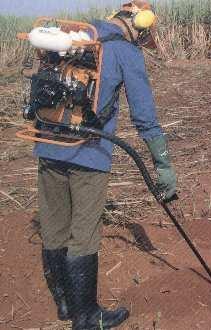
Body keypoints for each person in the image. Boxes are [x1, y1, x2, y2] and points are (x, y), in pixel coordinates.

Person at [34, 2, 177, 329]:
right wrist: (163, 165)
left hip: (47, 146)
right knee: (83, 234)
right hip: (89, 152)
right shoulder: (126, 52)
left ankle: (66, 304)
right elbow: (144, 117)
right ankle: (86, 316)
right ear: (139, 27)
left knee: (54, 228)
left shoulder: (74, 36)